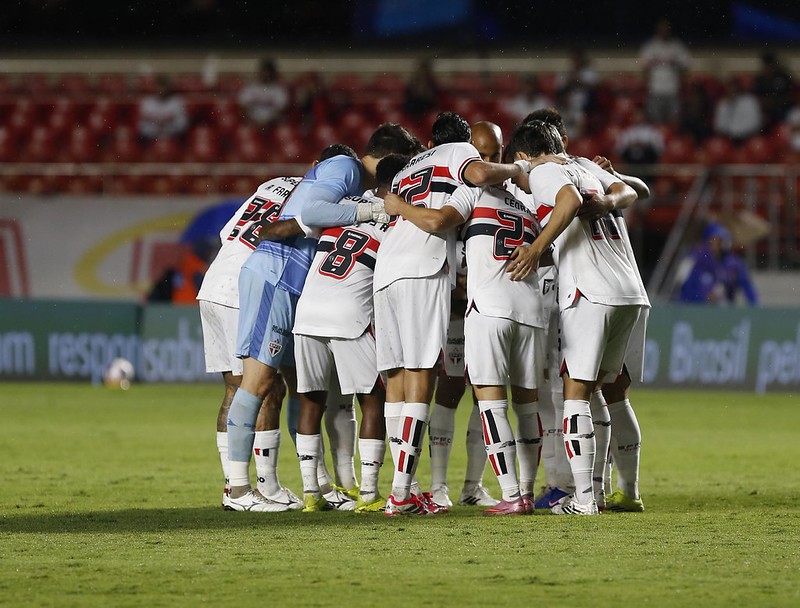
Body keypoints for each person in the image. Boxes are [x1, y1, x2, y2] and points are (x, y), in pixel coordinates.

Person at [373, 112, 563, 516]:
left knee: (410, 383)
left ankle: (406, 490)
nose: (485, 161)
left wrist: (397, 205)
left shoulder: (424, 170)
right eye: (484, 154)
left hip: (397, 273)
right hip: (521, 304)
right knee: (521, 401)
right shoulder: (513, 194)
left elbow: (438, 216)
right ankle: (517, 491)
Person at [224, 125, 421, 512]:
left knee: (303, 386)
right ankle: (238, 490)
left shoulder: (347, 180)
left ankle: (318, 486)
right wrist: (376, 209)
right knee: (257, 379)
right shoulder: (346, 166)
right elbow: (313, 210)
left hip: (298, 285)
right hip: (278, 275)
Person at [505, 120, 645, 515]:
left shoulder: (546, 171)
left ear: (522, 157)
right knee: (604, 391)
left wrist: (535, 248)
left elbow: (566, 202)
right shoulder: (586, 166)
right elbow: (628, 190)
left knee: (575, 392)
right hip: (629, 290)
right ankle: (605, 492)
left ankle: (583, 499)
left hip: (591, 290)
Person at [292, 154, 409, 513]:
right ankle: (370, 495)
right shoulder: (399, 218)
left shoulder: (341, 205)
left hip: (308, 310)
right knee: (372, 397)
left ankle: (311, 492)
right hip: (348, 314)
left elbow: (306, 218)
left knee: (312, 398)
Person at [196, 171, 302, 510]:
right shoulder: (317, 196)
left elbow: (230, 233)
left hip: (214, 283)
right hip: (246, 286)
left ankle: (234, 486)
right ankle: (260, 488)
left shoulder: (272, 184)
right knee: (263, 387)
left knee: (234, 388)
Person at [426, 121, 505, 510]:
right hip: (456, 311)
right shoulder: (457, 190)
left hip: (491, 309)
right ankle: (438, 487)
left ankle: (472, 486)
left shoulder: (507, 194)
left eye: (494, 156)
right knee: (450, 389)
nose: (487, 163)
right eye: (481, 155)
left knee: (484, 393)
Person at [676, 222, 759, 306]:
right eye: (712, 240)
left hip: (722, 310)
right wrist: (704, 297)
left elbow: (747, 287)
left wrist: (754, 306)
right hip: (696, 309)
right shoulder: (696, 258)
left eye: (718, 241)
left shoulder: (734, 263)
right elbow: (686, 288)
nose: (714, 244)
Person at [640, 18, 690, 125]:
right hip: (655, 91)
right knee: (656, 124)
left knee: (674, 124)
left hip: (673, 91)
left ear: (670, 30)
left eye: (666, 29)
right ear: (657, 30)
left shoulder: (677, 46)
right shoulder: (650, 46)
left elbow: (685, 68)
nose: (664, 31)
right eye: (661, 29)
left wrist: (680, 82)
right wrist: (648, 86)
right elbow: (644, 70)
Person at [238, 58, 290, 129]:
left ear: (273, 74)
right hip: (252, 124)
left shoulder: (279, 90)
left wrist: (266, 122)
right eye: (263, 71)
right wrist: (254, 121)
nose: (265, 74)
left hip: (272, 125)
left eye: (268, 72)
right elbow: (243, 107)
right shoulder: (250, 88)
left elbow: (280, 110)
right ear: (259, 72)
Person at [137, 75, 189, 143]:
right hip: (151, 137)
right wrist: (157, 122)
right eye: (159, 87)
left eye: (163, 87)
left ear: (168, 88)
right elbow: (141, 126)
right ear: (155, 87)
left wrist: (166, 123)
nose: (161, 90)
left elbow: (183, 124)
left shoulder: (176, 102)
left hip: (172, 136)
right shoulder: (147, 102)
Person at [713, 76, 762, 144]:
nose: (732, 91)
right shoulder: (723, 103)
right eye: (730, 88)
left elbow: (755, 124)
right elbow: (719, 126)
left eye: (734, 88)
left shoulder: (750, 101)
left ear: (739, 88)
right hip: (728, 139)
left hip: (747, 138)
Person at [753, 51, 794, 130]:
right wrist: (764, 104)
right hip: (765, 111)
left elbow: (790, 96)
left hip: (781, 109)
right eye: (767, 64)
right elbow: (756, 97)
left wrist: (774, 102)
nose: (769, 67)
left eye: (771, 64)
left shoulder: (783, 77)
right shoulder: (760, 79)